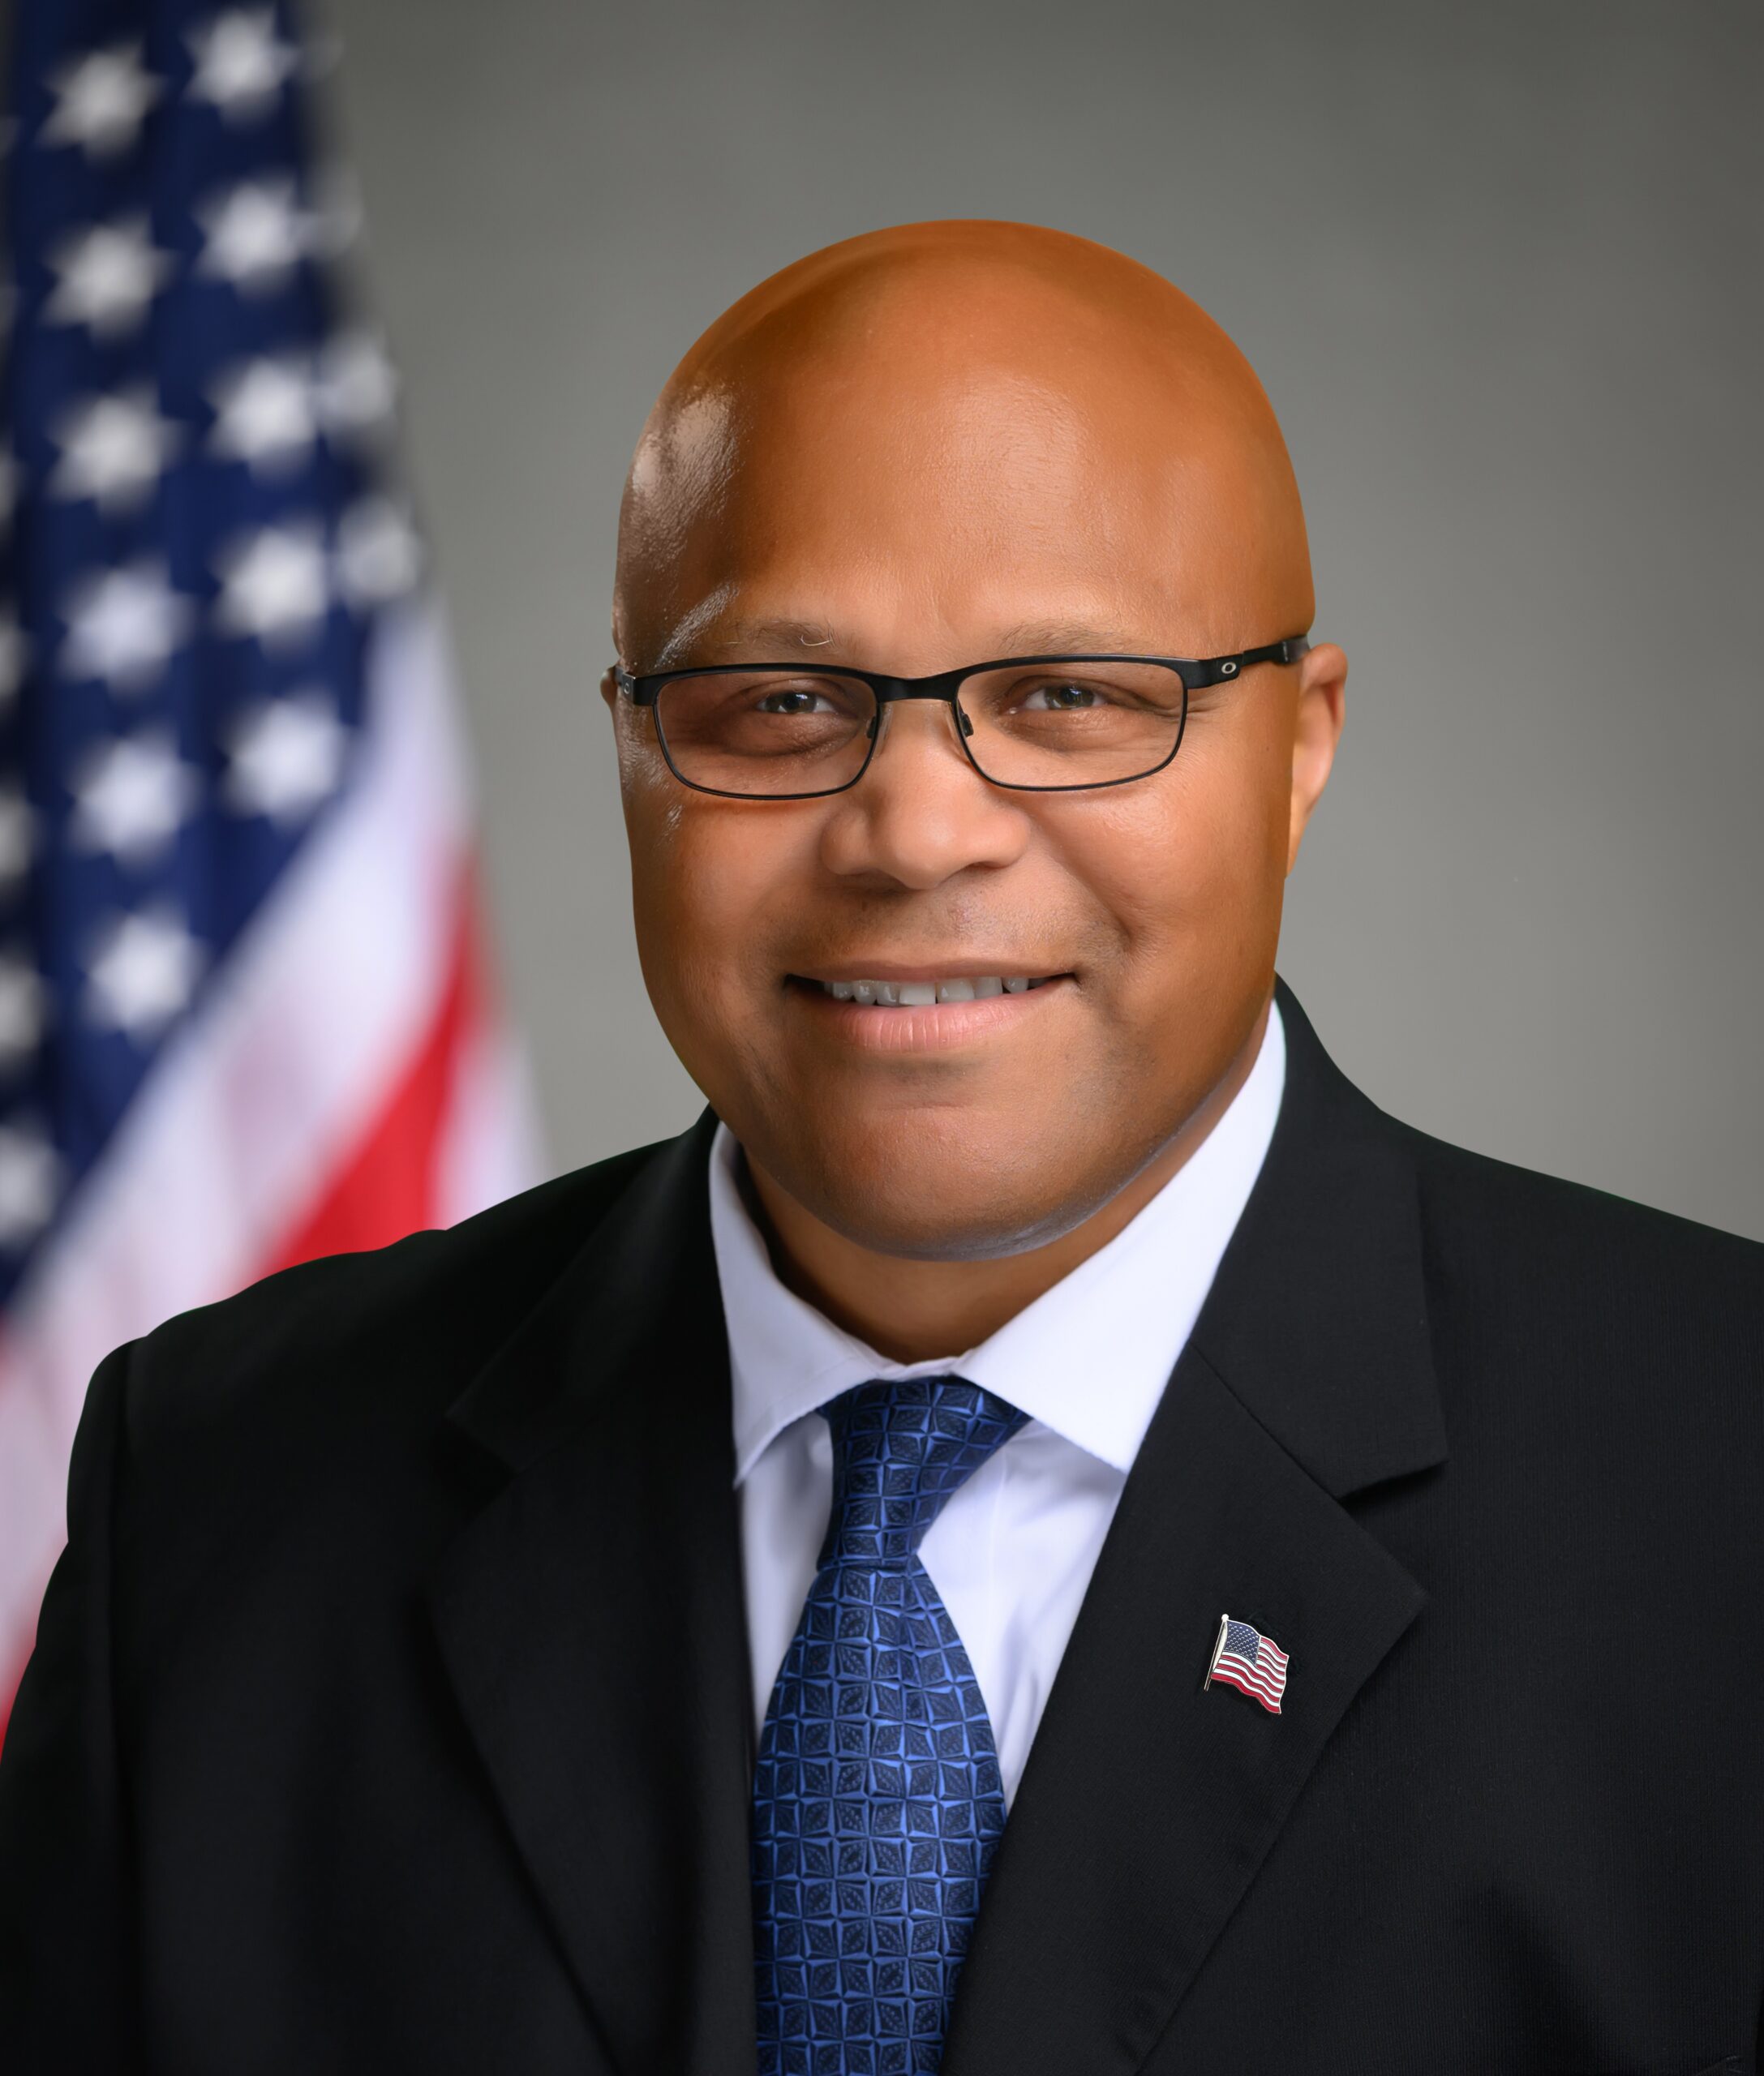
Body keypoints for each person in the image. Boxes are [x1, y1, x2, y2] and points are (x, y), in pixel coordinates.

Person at [1, 219, 1758, 2076]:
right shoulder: (216, 1500)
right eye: (777, 704)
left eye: (1069, 694)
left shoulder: (1720, 1489)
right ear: (628, 747)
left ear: (1299, 744)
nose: (914, 830)